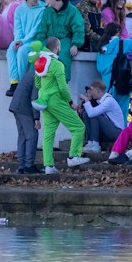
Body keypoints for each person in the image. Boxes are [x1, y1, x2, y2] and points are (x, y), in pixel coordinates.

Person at [30, 37, 87, 172]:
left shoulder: (40, 61)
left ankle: (49, 165)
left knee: (48, 134)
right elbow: (62, 87)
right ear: (57, 47)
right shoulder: (57, 64)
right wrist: (70, 102)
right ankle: (74, 156)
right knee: (79, 127)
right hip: (56, 100)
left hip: (43, 100)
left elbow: (38, 84)